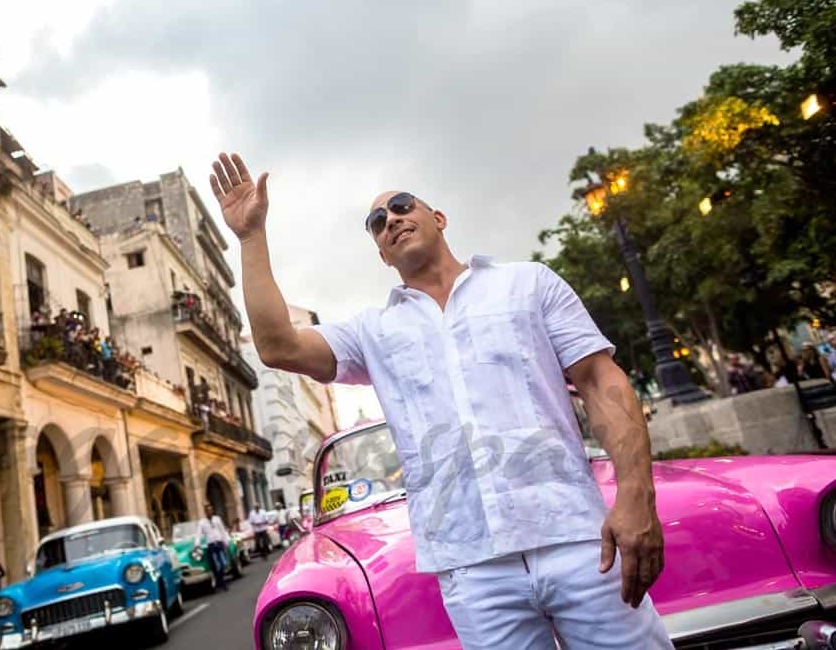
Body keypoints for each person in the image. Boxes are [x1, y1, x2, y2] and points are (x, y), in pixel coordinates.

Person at [208, 153, 673, 648]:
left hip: (579, 540)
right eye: (377, 223)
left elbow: (603, 384)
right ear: (382, 254)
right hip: (472, 570)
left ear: (438, 217)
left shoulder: (528, 284)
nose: (391, 220)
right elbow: (278, 346)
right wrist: (251, 237)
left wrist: (636, 498)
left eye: (403, 205)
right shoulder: (373, 332)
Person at [194, 503, 231, 591]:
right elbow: (198, 534)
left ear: (212, 510)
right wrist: (196, 545)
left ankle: (220, 580)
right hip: (211, 546)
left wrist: (227, 542)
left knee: (224, 563)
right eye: (207, 510)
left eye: (211, 510)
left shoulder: (217, 519)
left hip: (219, 543)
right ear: (205, 512)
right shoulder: (202, 522)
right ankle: (222, 583)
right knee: (217, 565)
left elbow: (223, 530)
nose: (209, 512)